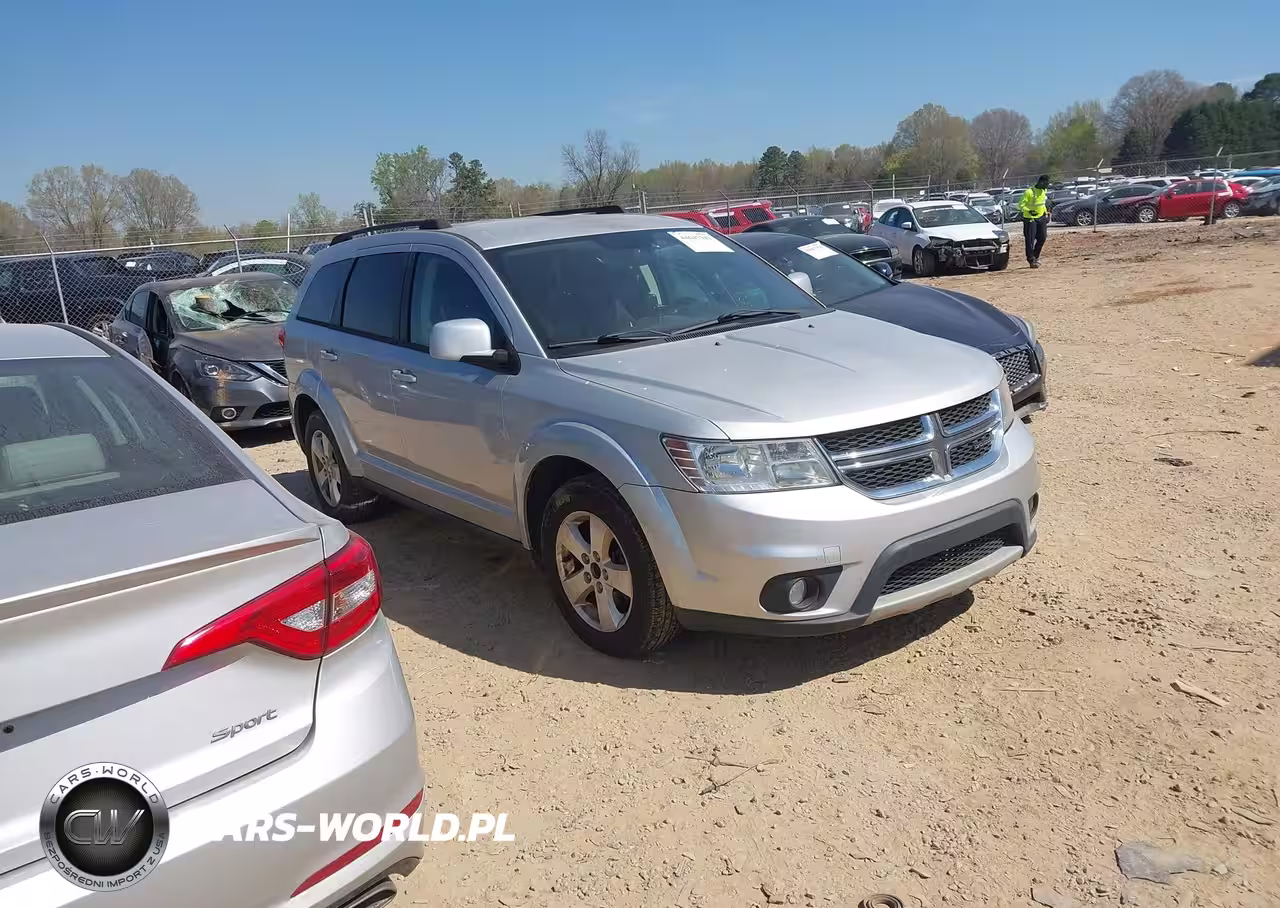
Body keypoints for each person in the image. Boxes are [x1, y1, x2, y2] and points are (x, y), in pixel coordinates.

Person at [1018, 175, 1051, 268]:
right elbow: (1020, 205)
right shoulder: (1029, 192)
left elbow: (1042, 203)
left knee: (1042, 237)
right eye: (1046, 184)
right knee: (1030, 240)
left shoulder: (1044, 190)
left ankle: (1035, 256)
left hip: (1041, 217)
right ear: (1041, 182)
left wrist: (1047, 213)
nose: (1047, 186)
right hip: (1030, 218)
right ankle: (1031, 259)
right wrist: (1029, 210)